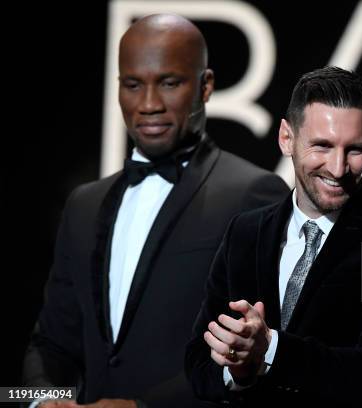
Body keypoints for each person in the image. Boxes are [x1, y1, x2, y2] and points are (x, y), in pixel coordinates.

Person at [23, 14, 288, 408]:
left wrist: (141, 407)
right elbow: (51, 343)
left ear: (206, 86)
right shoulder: (83, 204)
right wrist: (41, 401)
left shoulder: (254, 194)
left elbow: (255, 354)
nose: (148, 104)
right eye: (133, 85)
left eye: (169, 83)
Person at [186, 66, 362, 408]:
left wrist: (271, 349)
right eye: (322, 146)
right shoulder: (245, 233)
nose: (338, 168)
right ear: (286, 138)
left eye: (355, 149)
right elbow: (199, 364)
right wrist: (240, 370)